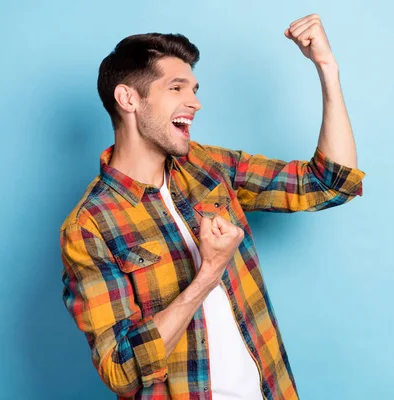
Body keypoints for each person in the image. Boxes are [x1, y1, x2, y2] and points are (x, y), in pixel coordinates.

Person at [60, 14, 366, 400]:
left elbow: (327, 183)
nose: (196, 102)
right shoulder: (90, 226)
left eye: (194, 88)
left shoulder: (208, 168)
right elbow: (123, 370)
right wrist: (209, 273)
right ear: (128, 99)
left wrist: (327, 68)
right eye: (177, 87)